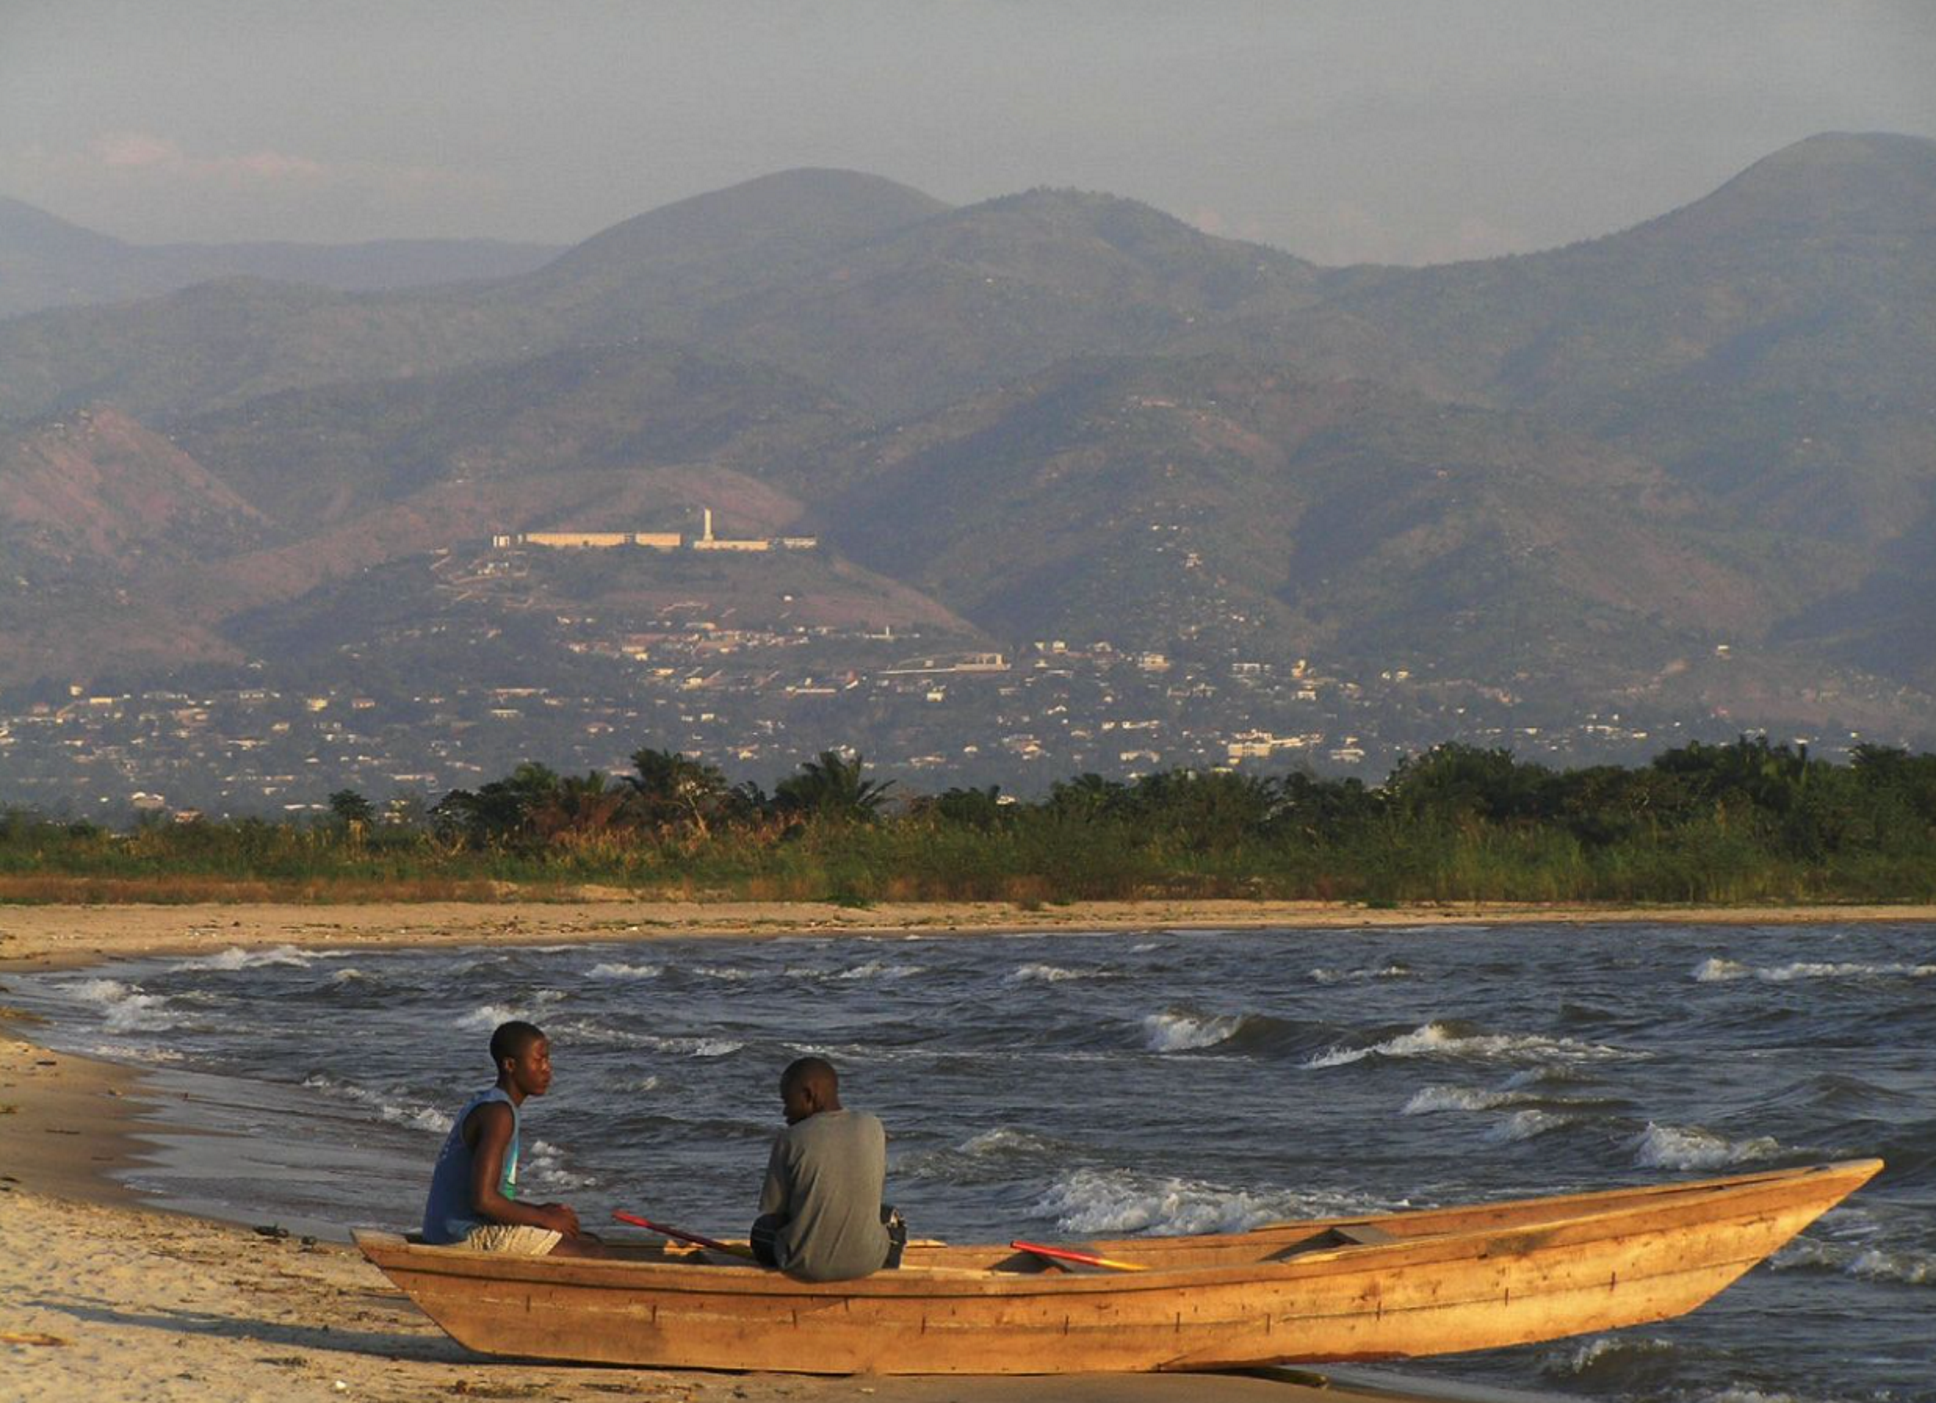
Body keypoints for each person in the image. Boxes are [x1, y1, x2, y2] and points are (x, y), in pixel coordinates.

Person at [420, 1019, 602, 1257]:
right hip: (461, 1236)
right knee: (595, 1253)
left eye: (547, 1060)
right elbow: (483, 1200)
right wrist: (543, 1218)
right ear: (510, 1065)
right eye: (538, 1060)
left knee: (587, 1240)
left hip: (445, 1231)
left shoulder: (491, 1102)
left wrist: (540, 1211)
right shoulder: (499, 1113)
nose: (547, 1069)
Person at [750, 1056, 905, 1281]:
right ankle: (884, 1277)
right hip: (868, 1262)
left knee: (762, 1229)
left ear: (808, 1094)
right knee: (891, 1217)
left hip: (803, 1264)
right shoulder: (873, 1126)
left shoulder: (790, 1138)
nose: (785, 1112)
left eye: (786, 1102)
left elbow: (775, 1211)